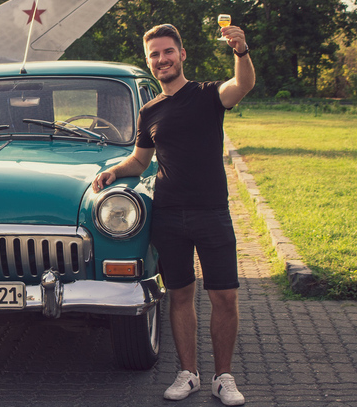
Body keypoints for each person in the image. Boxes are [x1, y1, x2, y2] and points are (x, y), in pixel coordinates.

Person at [92, 23, 254, 406]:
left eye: (168, 52)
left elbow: (241, 85)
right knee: (180, 295)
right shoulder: (149, 111)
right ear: (149, 63)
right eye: (154, 55)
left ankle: (223, 378)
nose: (162, 60)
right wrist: (115, 171)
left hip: (212, 212)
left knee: (225, 297)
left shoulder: (209, 95)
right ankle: (189, 374)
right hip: (168, 214)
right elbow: (140, 159)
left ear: (182, 55)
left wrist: (241, 51)